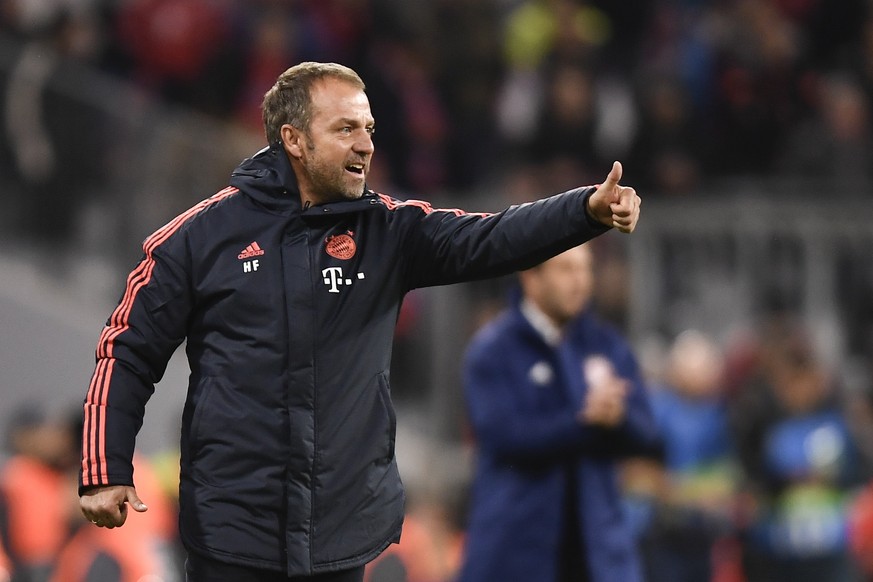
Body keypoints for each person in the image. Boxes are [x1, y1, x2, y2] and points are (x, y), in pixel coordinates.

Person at [77, 61, 641, 582]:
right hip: (232, 532)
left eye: (369, 128)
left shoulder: (387, 232)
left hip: (342, 532)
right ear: (293, 140)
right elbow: (127, 348)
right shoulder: (200, 237)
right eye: (346, 129)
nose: (367, 145)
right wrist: (105, 464)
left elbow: (490, 237)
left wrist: (584, 210)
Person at [458, 244, 661, 582]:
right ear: (531, 277)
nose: (580, 281)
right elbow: (505, 436)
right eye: (566, 269)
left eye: (585, 269)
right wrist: (584, 421)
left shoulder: (606, 344)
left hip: (599, 553)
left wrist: (618, 417)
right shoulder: (493, 351)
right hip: (513, 552)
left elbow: (648, 432)